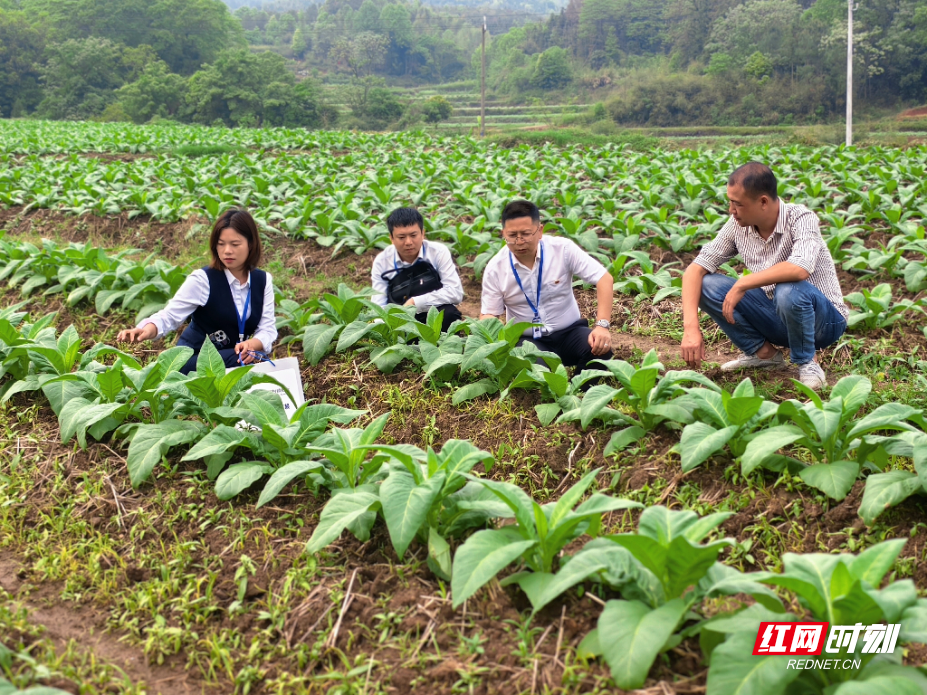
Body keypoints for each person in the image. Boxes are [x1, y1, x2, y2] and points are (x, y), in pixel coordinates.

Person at [680, 162, 848, 390]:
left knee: (788, 289)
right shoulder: (737, 225)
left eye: (738, 204)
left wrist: (744, 283)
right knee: (706, 284)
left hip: (824, 322)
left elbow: (800, 268)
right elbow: (695, 269)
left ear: (763, 202)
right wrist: (690, 328)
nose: (731, 210)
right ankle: (764, 355)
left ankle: (808, 362)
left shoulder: (801, 218)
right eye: (730, 202)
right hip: (779, 316)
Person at [117, 208, 277, 375]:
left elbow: (267, 328)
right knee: (245, 361)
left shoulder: (262, 280)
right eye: (221, 244)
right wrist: (146, 329)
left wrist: (252, 344)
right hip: (194, 358)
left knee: (253, 357)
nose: (227, 251)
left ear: (251, 244)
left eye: (235, 244)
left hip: (231, 357)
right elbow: (169, 316)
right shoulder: (203, 279)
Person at [479, 199, 614, 373]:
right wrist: (494, 334)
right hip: (528, 341)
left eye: (526, 234)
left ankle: (580, 387)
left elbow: (604, 279)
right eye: (512, 236)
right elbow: (489, 314)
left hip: (569, 332)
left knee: (601, 350)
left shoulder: (562, 249)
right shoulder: (495, 268)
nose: (519, 241)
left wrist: (602, 326)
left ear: (540, 231)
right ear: (503, 233)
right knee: (536, 371)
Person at [371, 206, 465, 332]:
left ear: (422, 234)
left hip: (432, 313)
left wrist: (415, 302)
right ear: (391, 239)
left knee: (449, 314)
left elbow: (455, 292)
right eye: (401, 237)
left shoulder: (438, 252)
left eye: (413, 235)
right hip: (400, 320)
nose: (408, 242)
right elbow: (378, 306)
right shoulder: (382, 262)